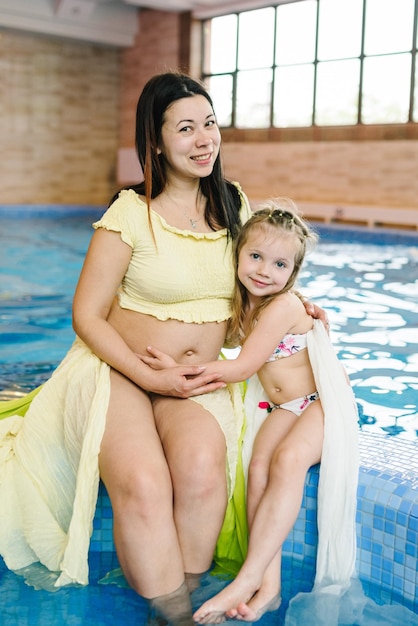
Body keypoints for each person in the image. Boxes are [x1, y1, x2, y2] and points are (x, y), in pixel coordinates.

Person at [0, 73, 327, 626]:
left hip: (196, 377)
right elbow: (86, 316)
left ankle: (186, 593)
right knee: (144, 481)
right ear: (155, 141)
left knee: (202, 471)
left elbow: (262, 273)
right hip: (120, 370)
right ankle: (173, 614)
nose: (204, 140)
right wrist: (147, 376)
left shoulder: (232, 205)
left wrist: (299, 303)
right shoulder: (130, 211)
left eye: (210, 124)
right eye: (185, 128)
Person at [139, 199, 360, 624]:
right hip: (285, 406)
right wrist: (177, 362)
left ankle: (248, 577)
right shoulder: (246, 306)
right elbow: (218, 349)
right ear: (237, 254)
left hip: (322, 404)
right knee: (257, 467)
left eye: (279, 264)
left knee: (289, 460)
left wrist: (178, 374)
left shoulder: (284, 306)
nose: (263, 270)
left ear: (292, 275)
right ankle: (270, 587)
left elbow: (241, 367)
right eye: (255, 256)